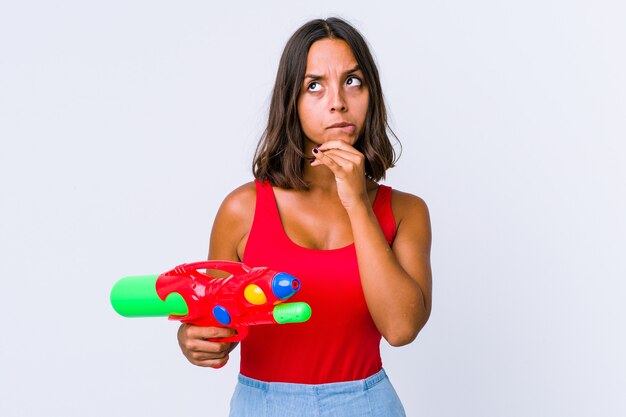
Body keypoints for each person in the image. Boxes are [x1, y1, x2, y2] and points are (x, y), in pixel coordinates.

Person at [177, 17, 432, 417]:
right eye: (315, 85)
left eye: (352, 81)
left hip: (367, 404)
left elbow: (401, 329)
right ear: (291, 101)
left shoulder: (406, 212)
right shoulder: (242, 209)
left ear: (371, 94)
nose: (338, 102)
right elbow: (212, 321)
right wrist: (193, 340)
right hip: (263, 405)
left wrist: (357, 204)